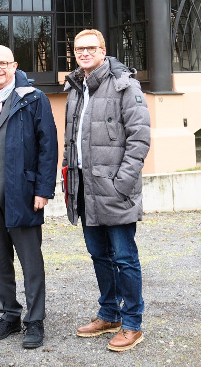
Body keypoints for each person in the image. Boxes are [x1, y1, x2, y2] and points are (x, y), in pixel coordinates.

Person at [0, 45, 58, 350]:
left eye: (4, 63)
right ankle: (9, 313)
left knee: (31, 259)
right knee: (0, 259)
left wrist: (44, 190)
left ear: (15, 66)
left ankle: (35, 319)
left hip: (23, 193)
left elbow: (48, 147)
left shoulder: (34, 98)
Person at [62, 29, 151, 353]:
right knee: (99, 254)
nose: (84, 53)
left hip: (114, 190)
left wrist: (122, 183)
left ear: (103, 50)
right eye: (78, 48)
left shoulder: (125, 85)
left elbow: (139, 138)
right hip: (85, 189)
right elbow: (70, 141)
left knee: (124, 257)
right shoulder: (75, 88)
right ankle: (109, 313)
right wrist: (68, 179)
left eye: (90, 48)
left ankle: (132, 323)